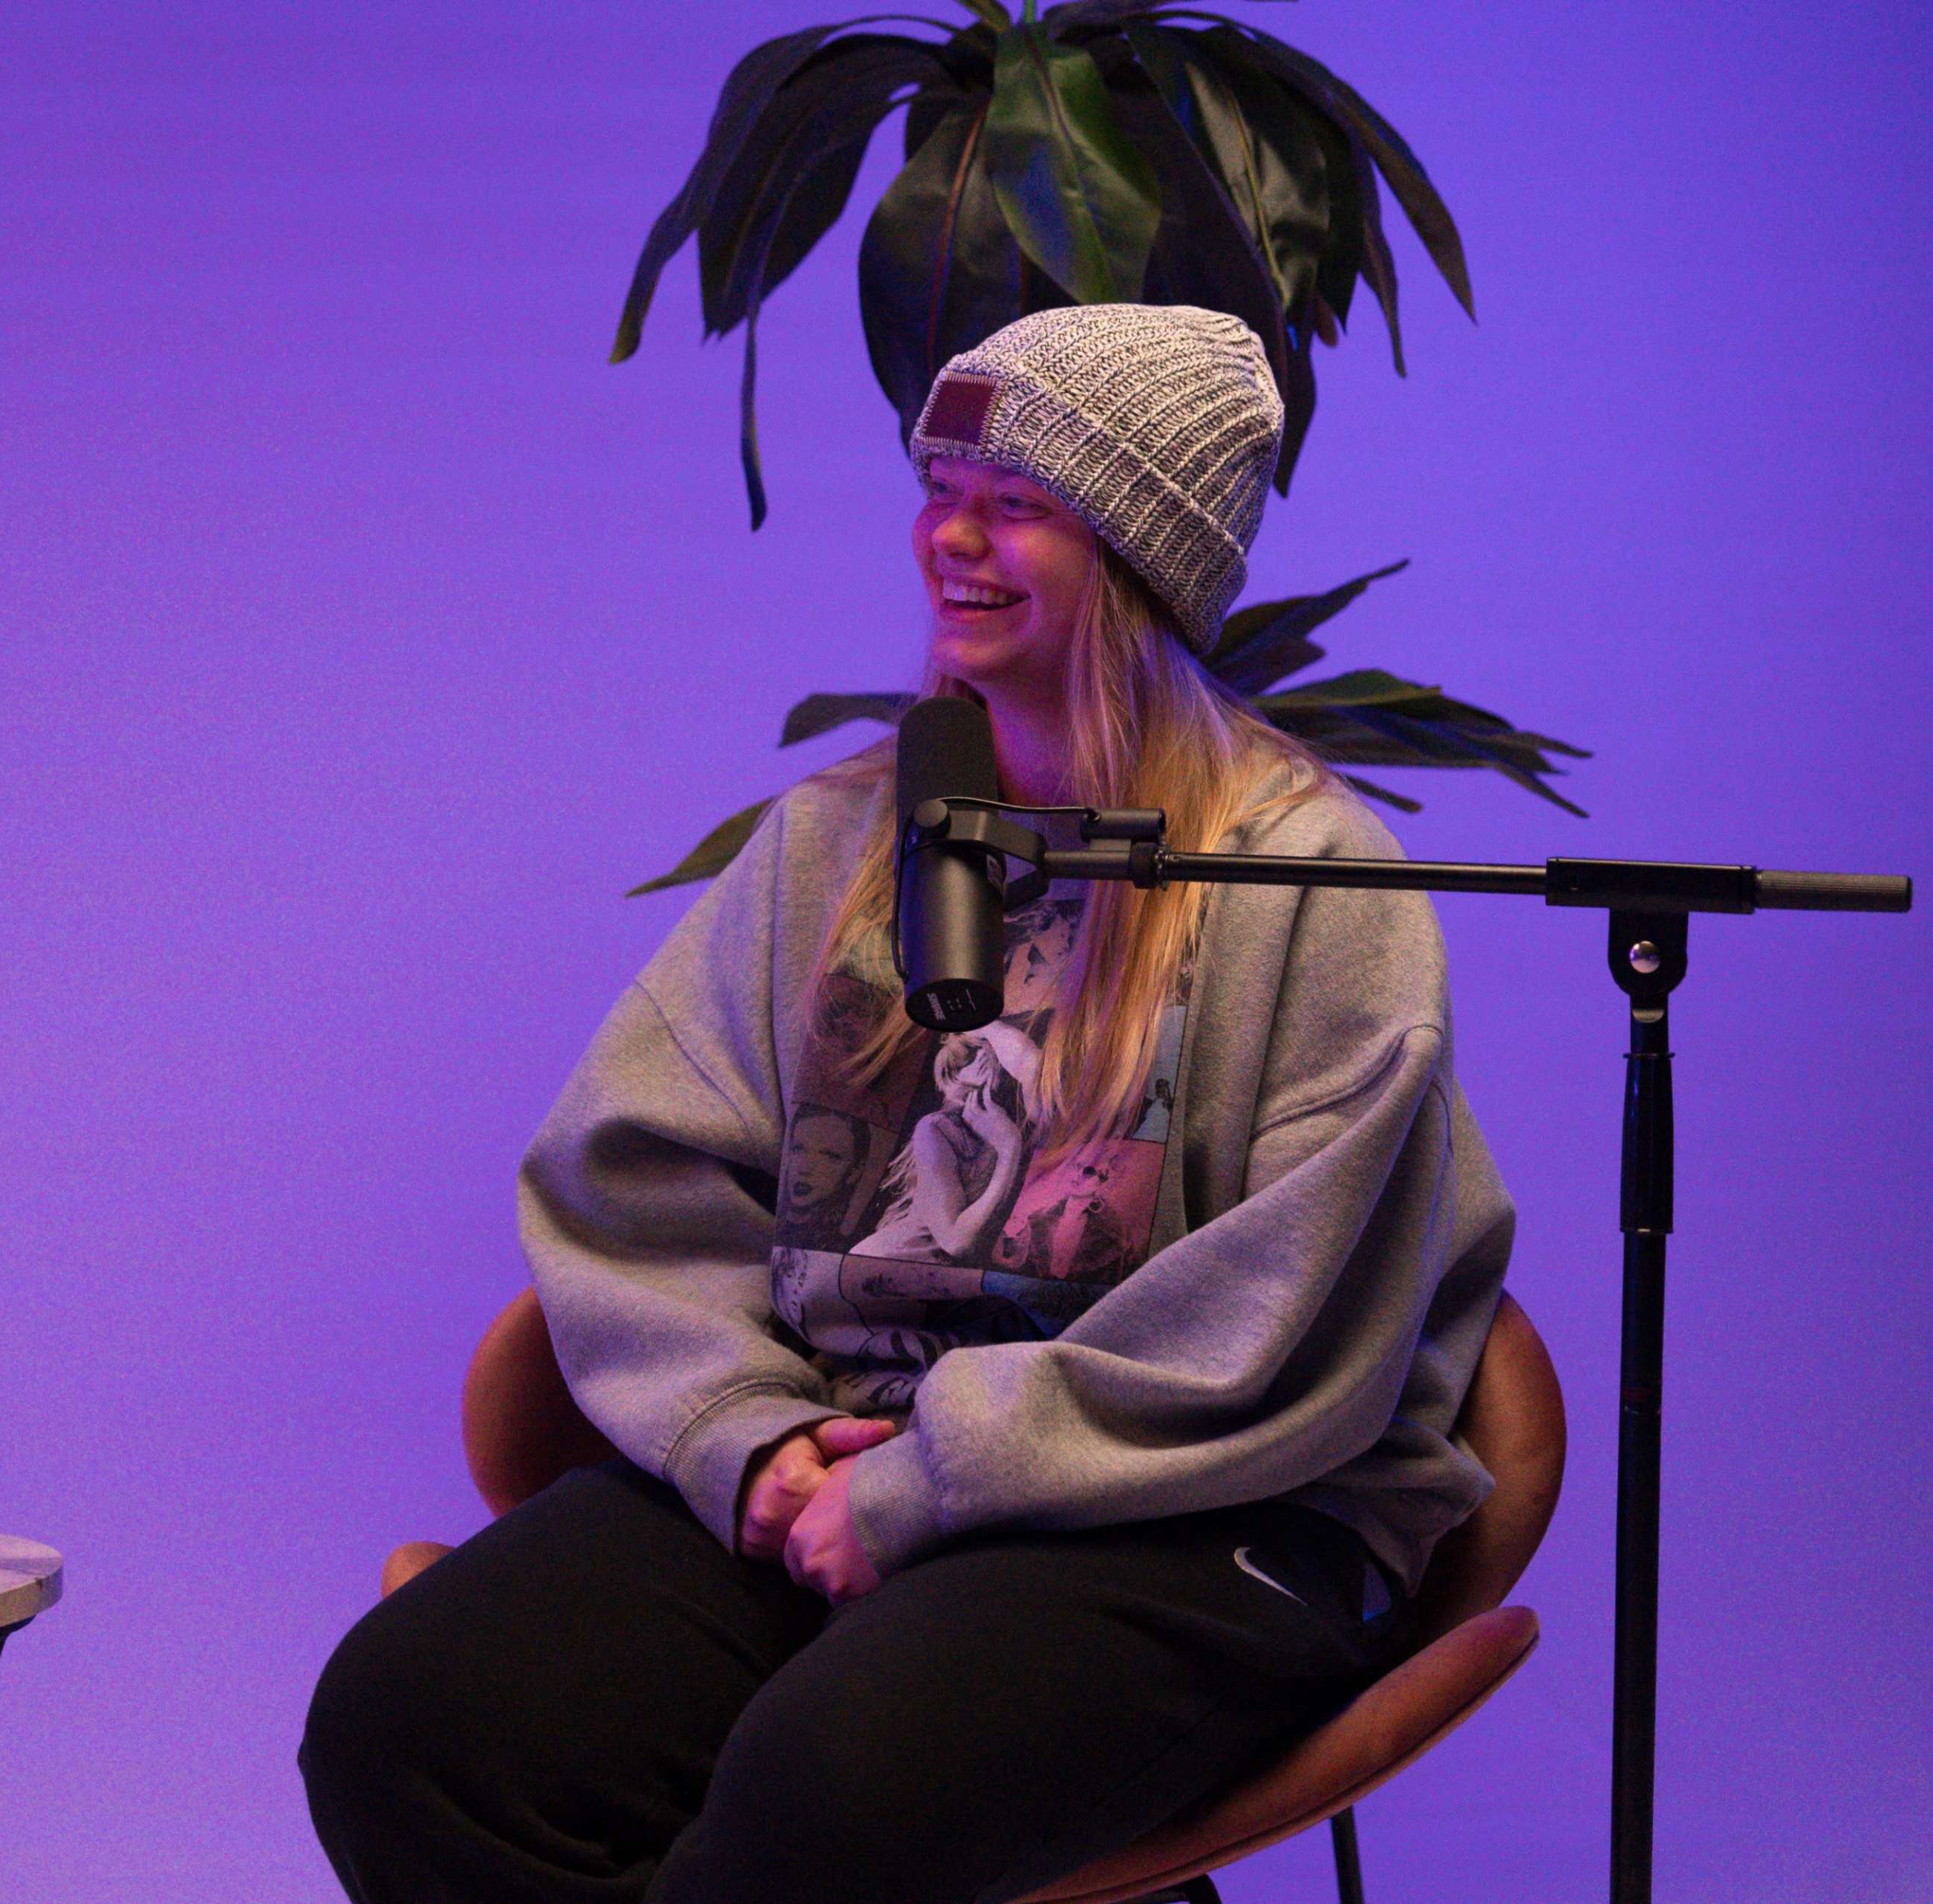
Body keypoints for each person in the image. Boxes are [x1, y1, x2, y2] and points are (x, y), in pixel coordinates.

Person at [299, 304, 1518, 1904]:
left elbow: (1281, 1327)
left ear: (1139, 549)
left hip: (1193, 1506)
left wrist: (930, 1483)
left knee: (842, 1777)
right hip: (834, 1458)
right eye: (942, 487)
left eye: (1016, 502)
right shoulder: (837, 847)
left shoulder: (1312, 885)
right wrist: (764, 1442)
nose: (954, 534)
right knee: (414, 1722)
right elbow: (632, 1176)